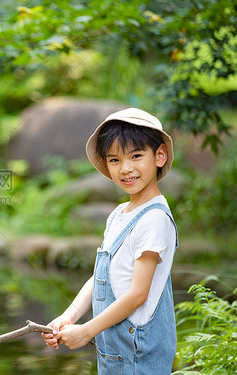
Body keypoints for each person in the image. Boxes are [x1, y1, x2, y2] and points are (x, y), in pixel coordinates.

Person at [41, 108, 178, 374]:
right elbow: (101, 277)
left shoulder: (155, 219)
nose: (126, 169)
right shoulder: (118, 215)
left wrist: (86, 331)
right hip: (115, 351)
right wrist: (69, 317)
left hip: (138, 355)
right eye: (114, 160)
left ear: (159, 155)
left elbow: (138, 294)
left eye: (136, 156)